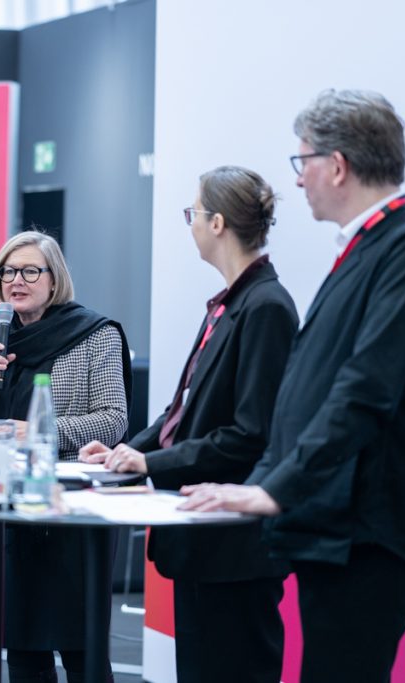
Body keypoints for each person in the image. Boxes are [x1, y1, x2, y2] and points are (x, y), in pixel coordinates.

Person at [180, 89, 405, 683]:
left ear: (336, 165)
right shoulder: (368, 248)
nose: (298, 178)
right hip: (333, 526)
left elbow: (365, 390)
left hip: (368, 531)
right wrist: (258, 486)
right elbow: (310, 392)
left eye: (303, 161)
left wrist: (273, 488)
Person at [79, 166, 298, 683]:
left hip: (235, 547)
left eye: (193, 213)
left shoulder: (266, 307)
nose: (191, 224)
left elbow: (250, 434)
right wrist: (125, 454)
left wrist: (150, 463)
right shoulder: (231, 303)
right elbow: (183, 412)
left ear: (217, 223)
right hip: (203, 539)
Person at [0, 230, 130, 683]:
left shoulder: (96, 334)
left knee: (82, 652)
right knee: (22, 651)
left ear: (55, 279)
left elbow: (114, 420)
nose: (17, 280)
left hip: (72, 509)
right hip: (8, 508)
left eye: (31, 271)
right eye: (8, 271)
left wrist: (40, 433)